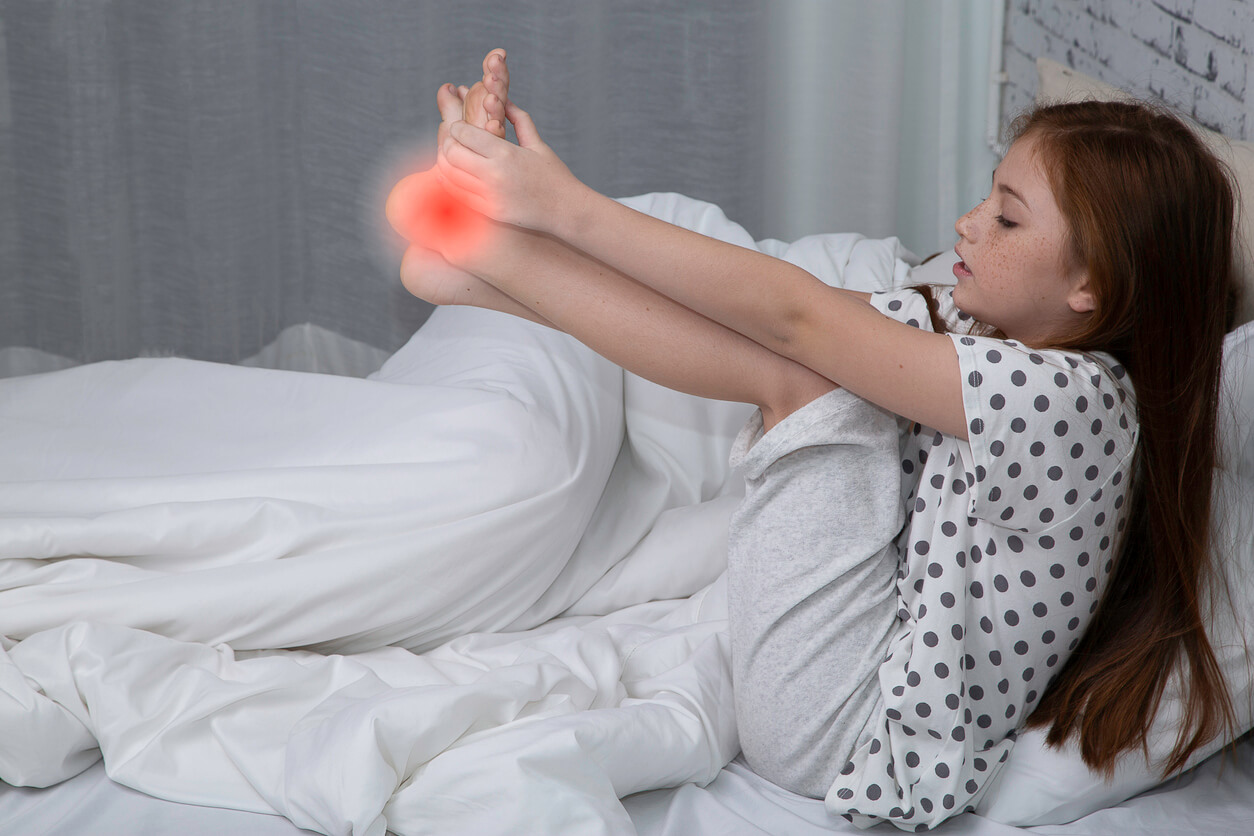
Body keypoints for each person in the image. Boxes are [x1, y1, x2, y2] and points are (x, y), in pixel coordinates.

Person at [390, 49, 1239, 830]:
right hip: (847, 676)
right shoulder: (997, 348)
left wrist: (566, 208)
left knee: (807, 374)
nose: (968, 224)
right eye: (988, 197)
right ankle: (481, 266)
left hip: (847, 736)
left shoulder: (1074, 403)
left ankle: (491, 257)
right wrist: (522, 226)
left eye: (1008, 221)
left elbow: (799, 322)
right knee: (798, 362)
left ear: (1093, 283)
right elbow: (774, 329)